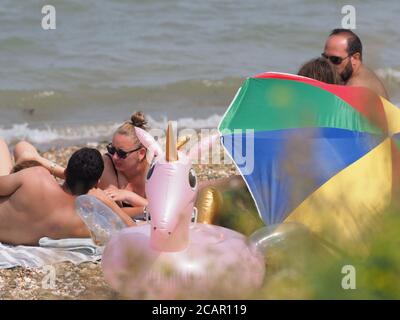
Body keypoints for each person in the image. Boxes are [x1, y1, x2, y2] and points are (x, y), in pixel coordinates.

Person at [13, 111, 149, 218]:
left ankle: (36, 160)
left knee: (23, 151)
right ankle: (35, 160)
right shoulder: (109, 164)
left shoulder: (156, 170)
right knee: (21, 146)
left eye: (121, 153)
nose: (114, 156)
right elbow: (115, 211)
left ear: (141, 153)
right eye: (111, 149)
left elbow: (165, 212)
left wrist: (129, 196)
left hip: (75, 183)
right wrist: (145, 209)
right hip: (74, 187)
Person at [0, 140, 134, 246]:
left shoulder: (37, 176)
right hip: (15, 235)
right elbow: (130, 227)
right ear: (96, 183)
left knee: (15, 146)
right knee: (24, 150)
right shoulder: (80, 223)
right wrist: (107, 200)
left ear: (65, 172)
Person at [322, 28, 389, 99]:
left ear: (355, 58)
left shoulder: (354, 88)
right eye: (325, 57)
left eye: (335, 60)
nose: (328, 64)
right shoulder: (362, 72)